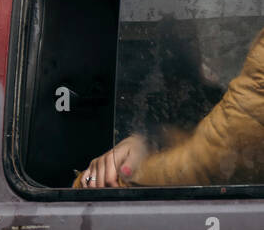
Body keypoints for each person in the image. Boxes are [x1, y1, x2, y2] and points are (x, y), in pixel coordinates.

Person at [75, 28, 264, 189]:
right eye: (170, 42)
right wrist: (146, 141)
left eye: (189, 40)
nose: (180, 49)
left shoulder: (218, 96)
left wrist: (104, 180)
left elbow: (215, 158)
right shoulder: (150, 103)